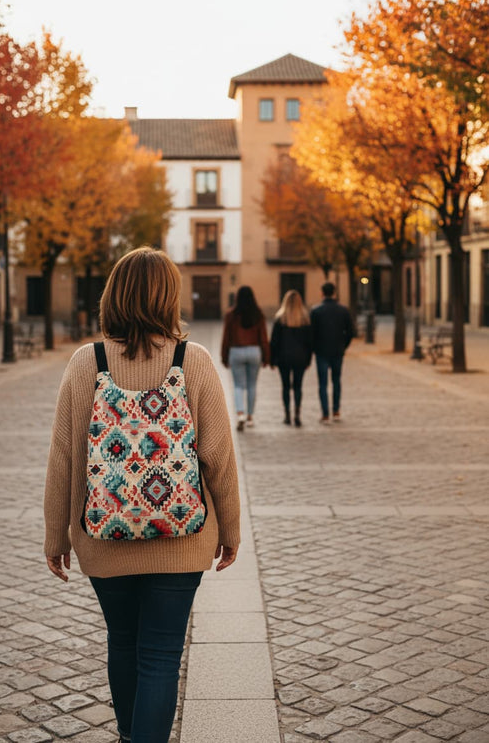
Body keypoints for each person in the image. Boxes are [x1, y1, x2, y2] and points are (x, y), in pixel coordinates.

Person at [44, 247, 240, 743]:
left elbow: (63, 457)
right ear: (168, 298)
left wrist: (55, 536)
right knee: (160, 654)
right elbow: (217, 455)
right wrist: (231, 530)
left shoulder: (84, 363)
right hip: (182, 539)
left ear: (113, 295)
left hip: (103, 539)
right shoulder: (191, 361)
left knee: (124, 643)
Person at [221, 285, 270, 431]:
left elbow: (226, 338)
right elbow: (264, 337)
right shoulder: (258, 314)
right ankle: (250, 417)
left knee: (238, 385)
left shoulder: (231, 314)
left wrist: (224, 356)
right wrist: (267, 357)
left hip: (236, 351)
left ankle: (240, 414)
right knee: (251, 385)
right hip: (254, 351)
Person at [310, 281, 355, 423]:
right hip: (337, 351)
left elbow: (311, 333)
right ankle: (336, 411)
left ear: (322, 293)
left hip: (321, 352)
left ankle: (325, 414)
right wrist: (343, 345)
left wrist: (314, 348)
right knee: (336, 381)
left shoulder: (316, 311)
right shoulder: (343, 310)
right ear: (334, 293)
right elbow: (350, 332)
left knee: (322, 383)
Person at [270, 290, 313, 427]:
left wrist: (272, 359)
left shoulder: (280, 319)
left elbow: (274, 342)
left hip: (284, 358)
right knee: (298, 386)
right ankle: (297, 415)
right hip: (300, 358)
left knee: (286, 386)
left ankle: (287, 415)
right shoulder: (305, 319)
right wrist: (308, 360)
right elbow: (309, 343)